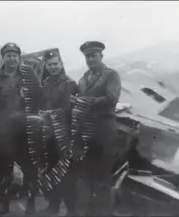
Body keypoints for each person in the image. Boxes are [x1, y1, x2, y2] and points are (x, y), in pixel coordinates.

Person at [70, 41, 121, 216]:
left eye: (94, 55)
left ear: (101, 56)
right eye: (87, 56)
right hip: (86, 131)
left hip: (104, 131)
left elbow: (112, 98)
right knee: (85, 176)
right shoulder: (83, 79)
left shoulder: (111, 75)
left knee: (102, 179)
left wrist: (86, 102)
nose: (90, 59)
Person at [0, 42, 40, 217]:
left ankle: (31, 205)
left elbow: (38, 98)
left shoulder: (29, 75)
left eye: (15, 55)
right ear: (3, 58)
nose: (12, 58)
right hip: (4, 132)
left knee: (30, 168)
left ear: (19, 58)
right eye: (8, 55)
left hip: (25, 130)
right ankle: (2, 205)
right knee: (4, 168)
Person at [37, 50, 80, 216]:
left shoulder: (70, 84)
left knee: (66, 173)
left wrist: (52, 114)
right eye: (50, 65)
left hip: (64, 134)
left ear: (61, 64)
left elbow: (73, 111)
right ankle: (53, 206)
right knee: (51, 170)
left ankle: (72, 210)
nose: (53, 67)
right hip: (49, 134)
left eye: (56, 63)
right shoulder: (46, 84)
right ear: (46, 67)